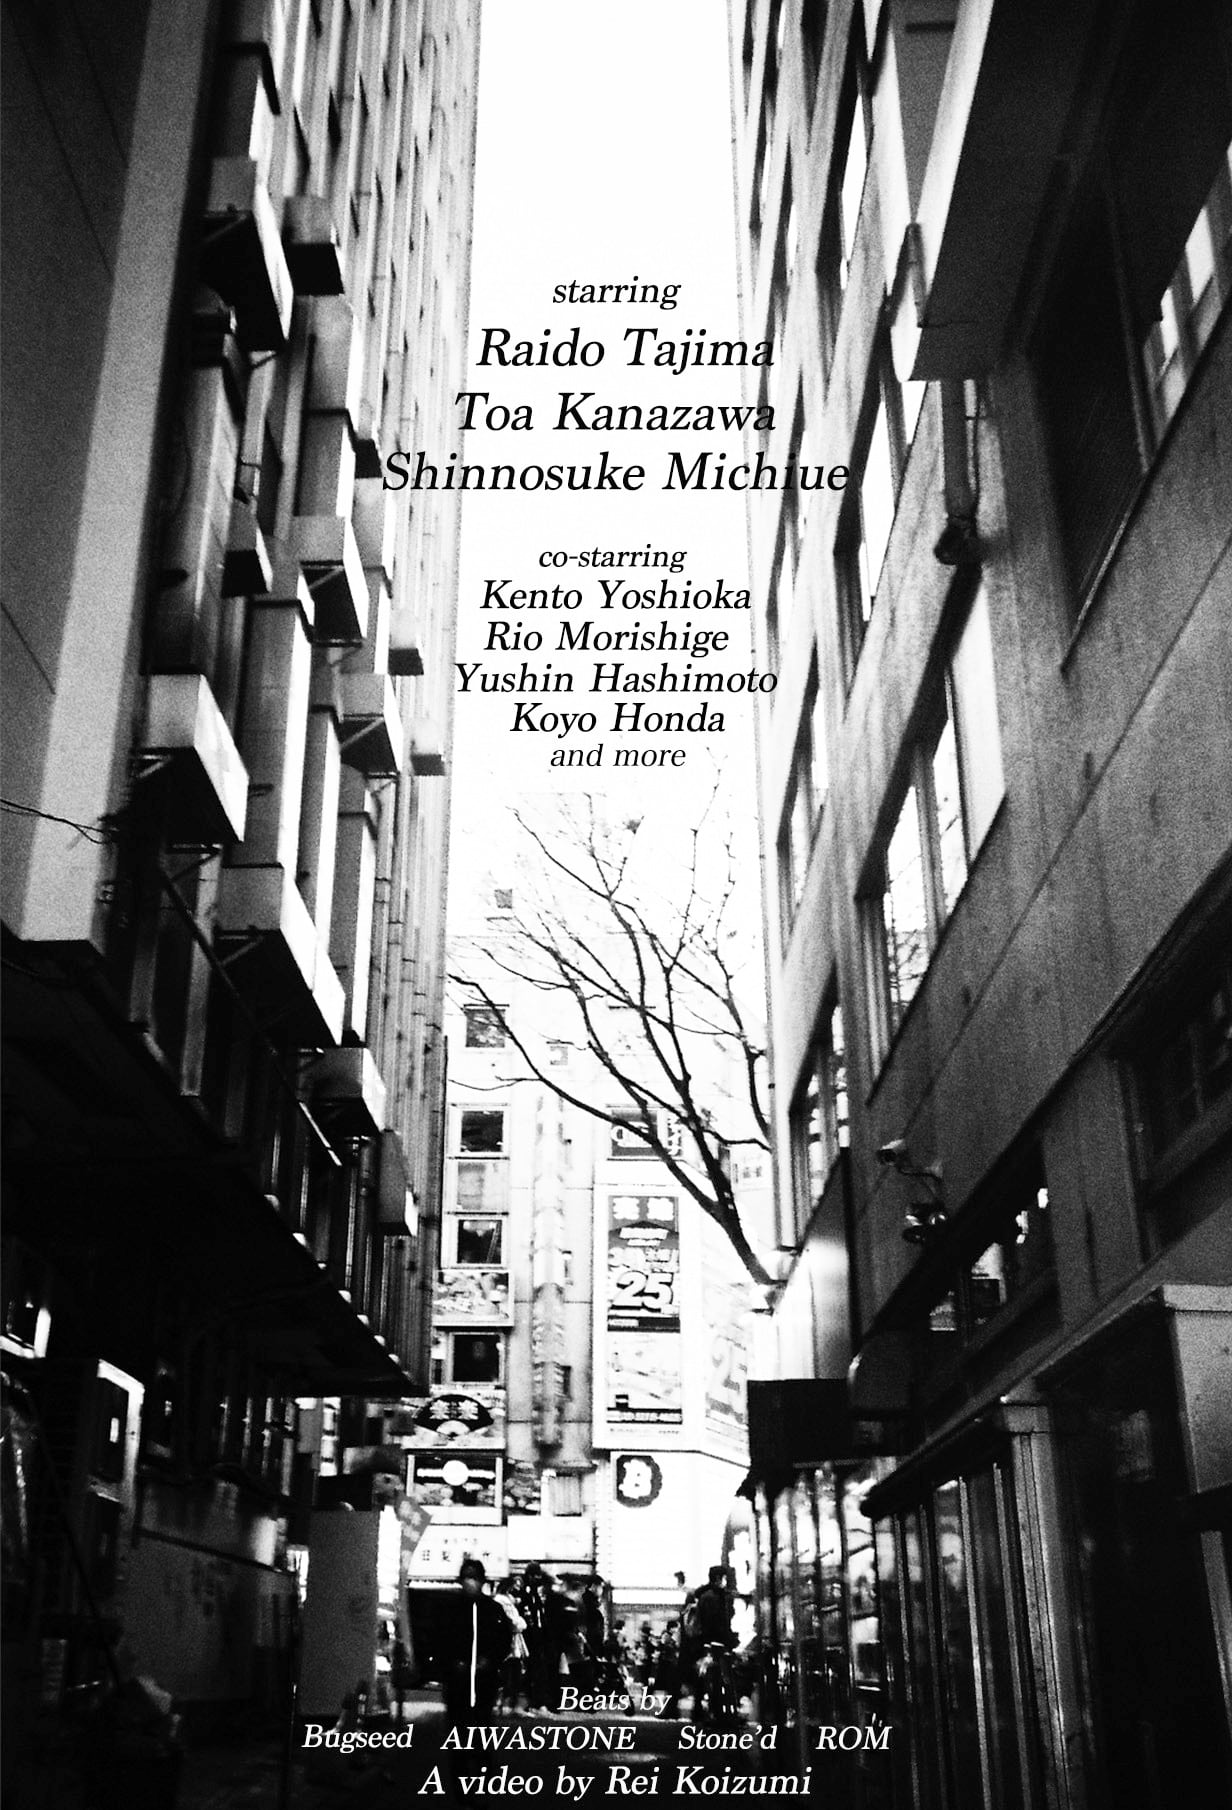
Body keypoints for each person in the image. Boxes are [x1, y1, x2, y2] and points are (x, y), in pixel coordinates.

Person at [436, 1558, 513, 1727]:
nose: (470, 1582)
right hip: (457, 1677)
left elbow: (503, 1640)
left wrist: (489, 1660)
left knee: (481, 1720)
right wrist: (454, 1662)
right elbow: (441, 1639)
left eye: (475, 1577)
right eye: (467, 1577)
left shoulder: (493, 1609)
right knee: (457, 1720)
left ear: (482, 1580)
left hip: (485, 1677)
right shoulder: (450, 1609)